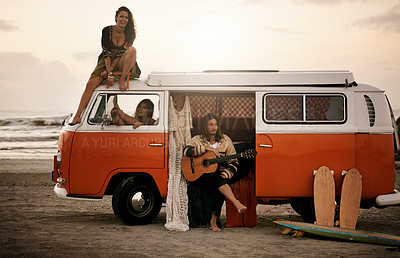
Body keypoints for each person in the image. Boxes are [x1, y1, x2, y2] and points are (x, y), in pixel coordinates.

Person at [70, 6, 139, 125]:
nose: (123, 19)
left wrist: (110, 73)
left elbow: (121, 54)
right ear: (116, 17)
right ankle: (77, 116)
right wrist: (109, 72)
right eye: (121, 16)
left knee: (132, 50)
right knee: (90, 84)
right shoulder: (106, 31)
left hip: (124, 60)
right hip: (106, 60)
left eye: (126, 17)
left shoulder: (130, 34)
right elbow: (106, 52)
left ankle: (122, 78)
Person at [183, 113, 247, 232]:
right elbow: (186, 151)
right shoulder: (198, 139)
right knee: (217, 181)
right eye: (210, 124)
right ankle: (235, 203)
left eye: (215, 124)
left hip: (217, 176)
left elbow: (234, 162)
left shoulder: (225, 140)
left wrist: (226, 173)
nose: (214, 127)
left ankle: (214, 219)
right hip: (198, 175)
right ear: (205, 126)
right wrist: (206, 148)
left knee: (218, 180)